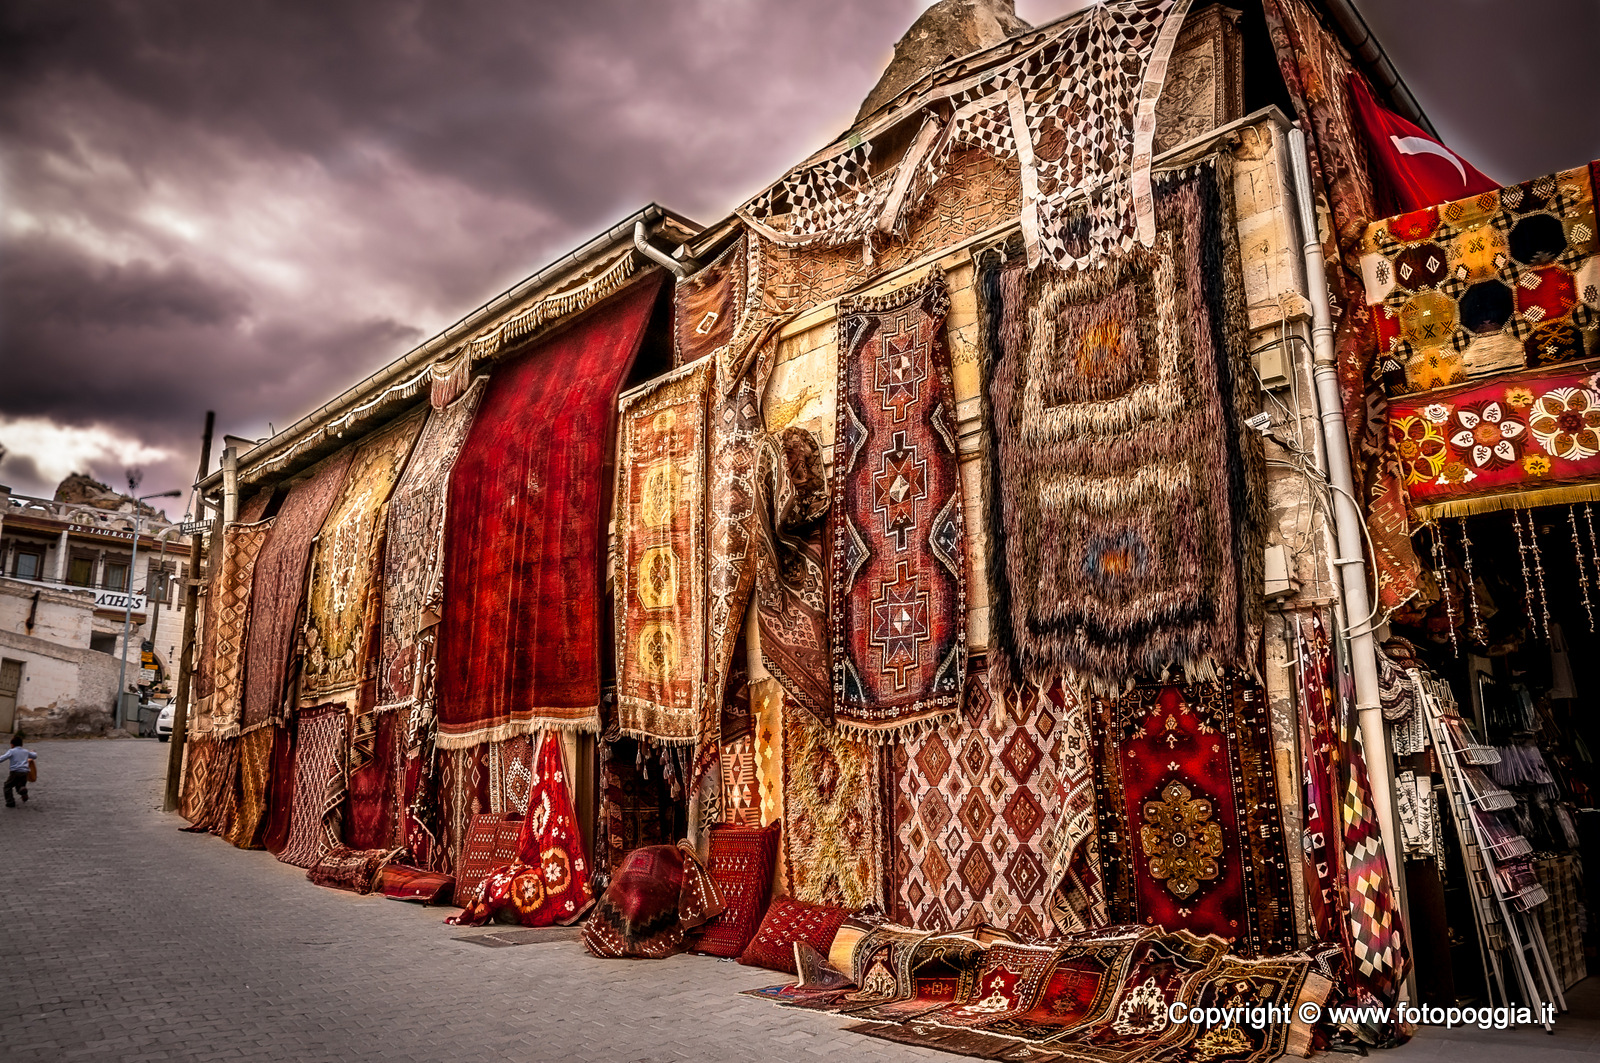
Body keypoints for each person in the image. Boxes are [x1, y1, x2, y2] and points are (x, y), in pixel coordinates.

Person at [5, 735, 36, 807]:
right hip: (25, 772)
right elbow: (34, 756)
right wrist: (33, 752)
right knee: (20, 785)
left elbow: (3, 758)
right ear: (22, 744)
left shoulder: (11, 751)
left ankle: (10, 802)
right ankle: (23, 791)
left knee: (7, 786)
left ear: (12, 745)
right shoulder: (25, 751)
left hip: (15, 772)